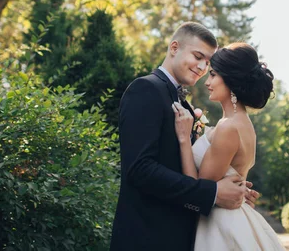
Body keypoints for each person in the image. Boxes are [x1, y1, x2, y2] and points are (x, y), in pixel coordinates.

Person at [110, 23, 260, 251]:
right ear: (174, 47)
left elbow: (194, 170)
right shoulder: (145, 89)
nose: (202, 67)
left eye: (208, 63)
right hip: (147, 238)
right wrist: (214, 193)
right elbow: (140, 169)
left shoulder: (187, 108)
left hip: (183, 238)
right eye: (198, 56)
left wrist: (234, 189)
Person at [173, 42, 286, 250]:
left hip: (221, 227)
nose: (208, 81)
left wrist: (183, 140)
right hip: (233, 217)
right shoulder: (243, 125)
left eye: (214, 74)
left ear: (232, 80)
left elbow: (197, 190)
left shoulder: (229, 128)